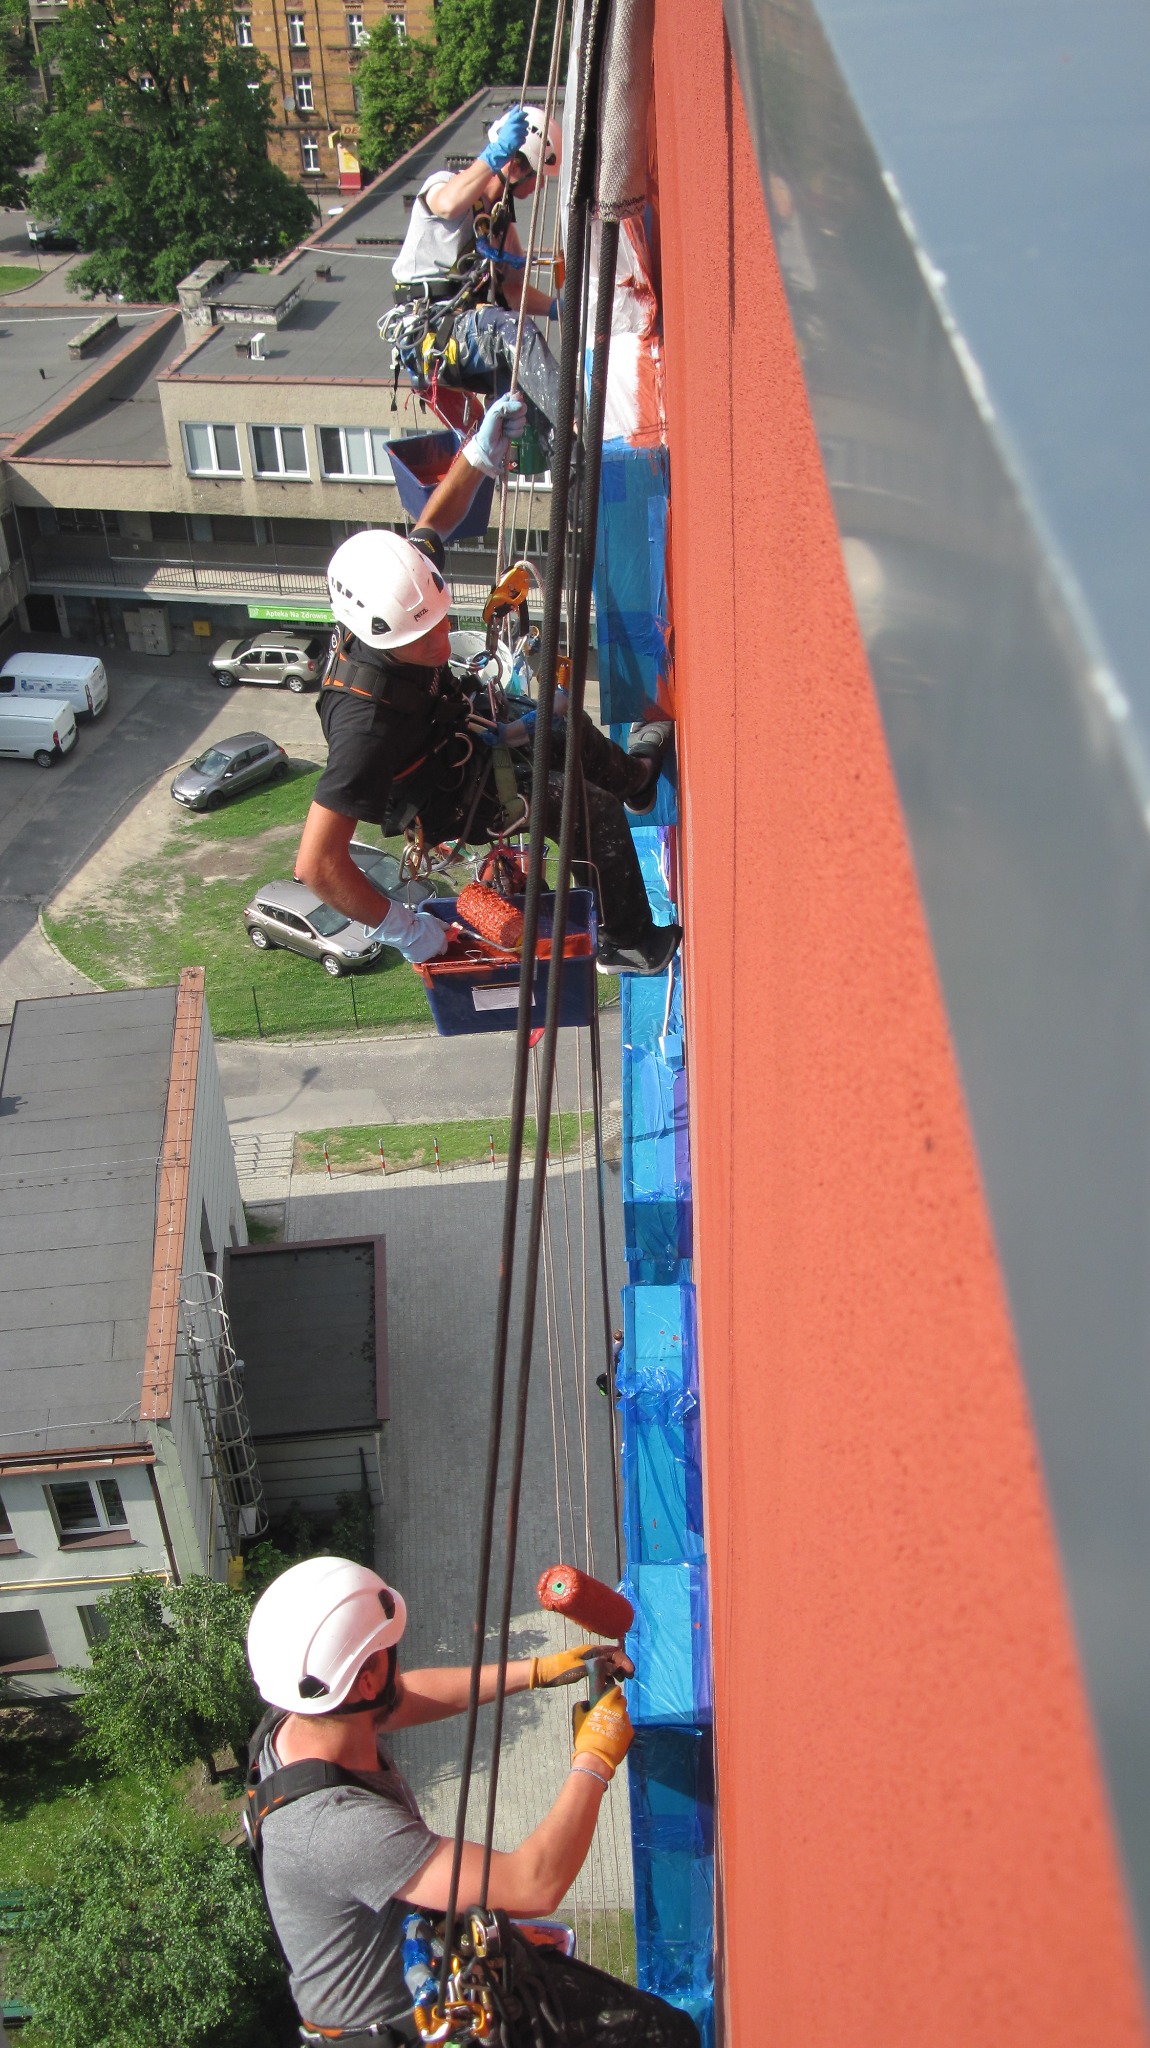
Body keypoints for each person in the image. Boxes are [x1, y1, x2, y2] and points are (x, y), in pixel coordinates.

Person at [294, 393, 682, 977]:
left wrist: (478, 455)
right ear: (380, 637)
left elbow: (434, 523)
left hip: (465, 736)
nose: (441, 639)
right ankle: (625, 942)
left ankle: (637, 783)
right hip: (451, 799)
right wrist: (406, 930)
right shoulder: (365, 727)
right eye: (422, 637)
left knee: (564, 722)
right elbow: (317, 864)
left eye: (440, 620)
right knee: (582, 806)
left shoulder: (400, 590)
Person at [245, 1556, 700, 2046]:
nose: (397, 1661)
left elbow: (398, 1696)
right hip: (415, 2029)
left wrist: (538, 1670)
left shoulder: (304, 1720)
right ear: (366, 1680)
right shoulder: (339, 1828)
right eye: (388, 1651)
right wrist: (594, 1757)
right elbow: (533, 1884)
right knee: (667, 2037)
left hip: (429, 1973)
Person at [386, 105, 562, 439]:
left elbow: (512, 290)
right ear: (516, 165)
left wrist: (556, 308)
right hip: (430, 334)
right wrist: (494, 154)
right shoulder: (444, 184)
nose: (540, 187)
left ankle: (567, 458)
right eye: (538, 176)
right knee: (512, 331)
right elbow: (448, 204)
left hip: (466, 336)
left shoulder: (500, 224)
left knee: (529, 395)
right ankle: (573, 424)